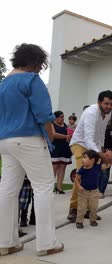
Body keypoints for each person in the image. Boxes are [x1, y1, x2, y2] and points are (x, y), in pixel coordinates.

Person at [0, 43, 63, 256]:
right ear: (36, 62)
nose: (40, 69)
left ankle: (5, 242)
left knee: (8, 190)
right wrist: (51, 134)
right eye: (40, 65)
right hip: (29, 138)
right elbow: (44, 115)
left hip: (5, 141)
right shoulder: (32, 80)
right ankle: (47, 244)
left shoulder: (3, 84)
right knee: (44, 186)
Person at [67, 90, 112, 222]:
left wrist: (103, 152)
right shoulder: (91, 112)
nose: (109, 107)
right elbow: (88, 138)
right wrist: (101, 155)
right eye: (106, 103)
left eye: (111, 104)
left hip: (94, 146)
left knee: (94, 176)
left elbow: (101, 134)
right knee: (81, 176)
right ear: (99, 102)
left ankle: (88, 210)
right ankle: (74, 209)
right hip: (80, 144)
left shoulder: (108, 113)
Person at [75, 150, 110, 229]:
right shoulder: (82, 170)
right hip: (83, 192)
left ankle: (93, 220)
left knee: (94, 207)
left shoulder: (97, 167)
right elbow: (76, 179)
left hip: (94, 192)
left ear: (92, 160)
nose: (82, 159)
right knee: (82, 208)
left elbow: (107, 165)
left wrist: (108, 157)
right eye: (82, 158)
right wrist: (79, 186)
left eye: (85, 157)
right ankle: (79, 221)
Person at [50, 110, 73, 194]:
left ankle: (59, 187)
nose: (63, 119)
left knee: (62, 167)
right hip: (56, 148)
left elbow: (68, 134)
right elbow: (54, 134)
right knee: (54, 168)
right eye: (61, 117)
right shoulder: (52, 124)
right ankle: (50, 187)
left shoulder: (65, 125)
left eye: (63, 117)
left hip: (64, 148)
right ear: (55, 118)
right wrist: (66, 136)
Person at [99, 113, 112, 199]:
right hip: (99, 150)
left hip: (110, 150)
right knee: (98, 170)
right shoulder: (100, 125)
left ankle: (101, 191)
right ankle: (96, 190)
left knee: (105, 171)